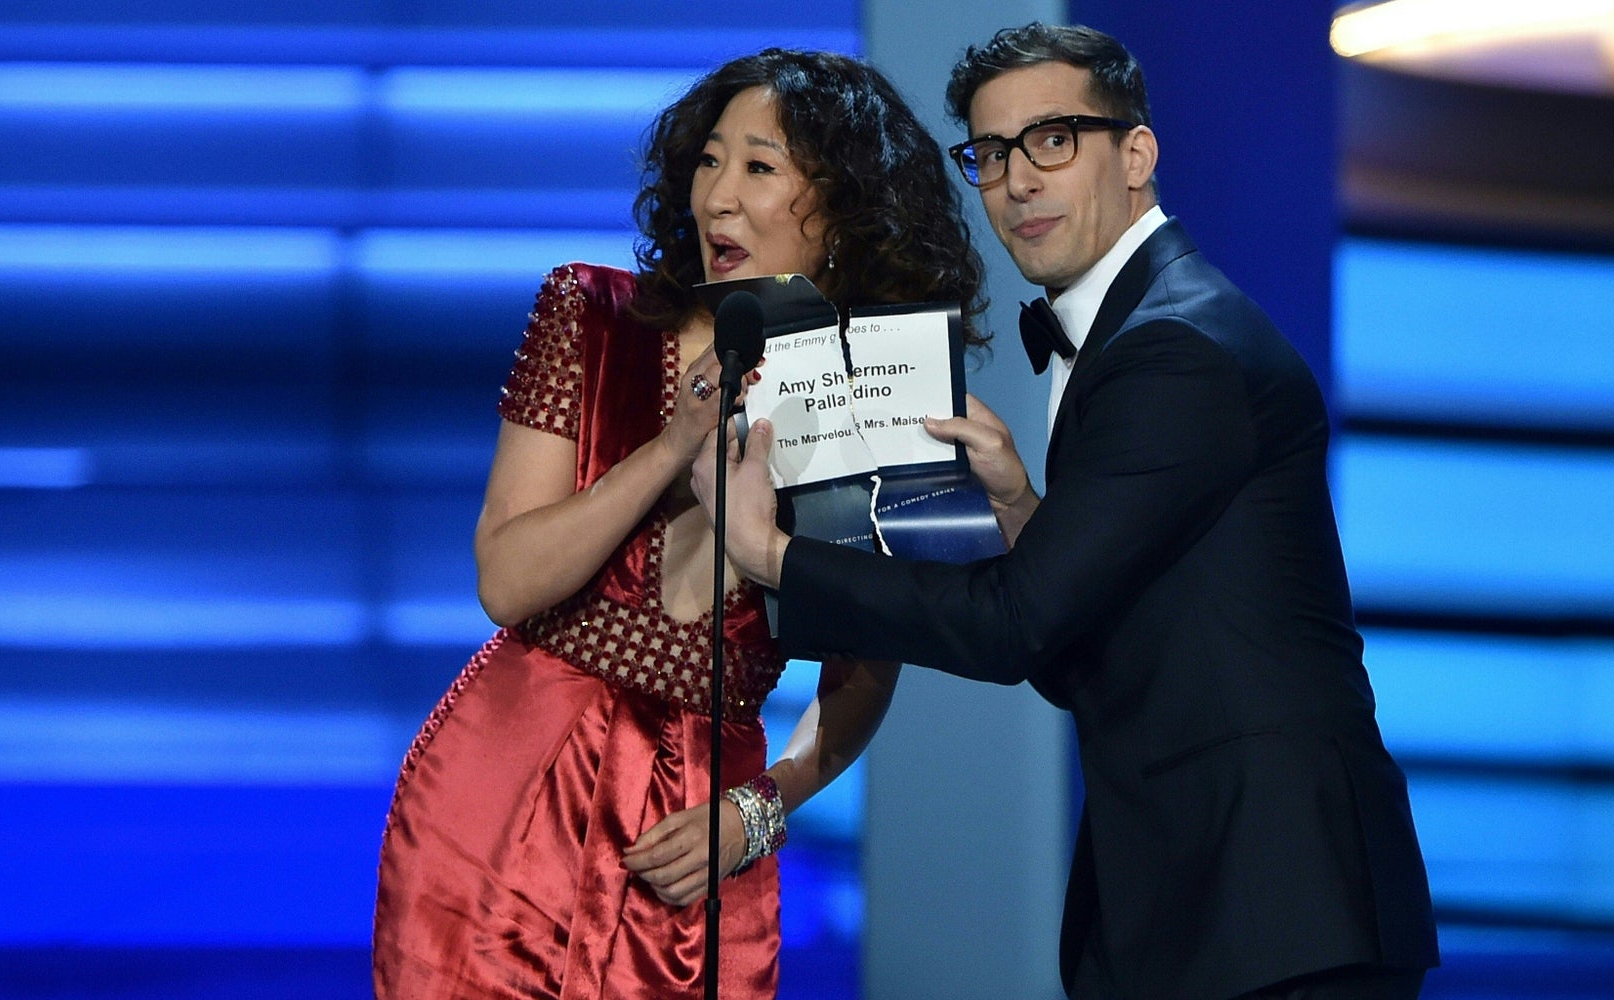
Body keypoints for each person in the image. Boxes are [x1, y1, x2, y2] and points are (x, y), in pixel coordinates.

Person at [699, 23, 1440, 1000]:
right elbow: (1086, 654)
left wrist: (771, 551)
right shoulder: (1137, 330)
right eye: (991, 152)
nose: (1016, 179)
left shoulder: (1175, 349)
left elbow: (1014, 626)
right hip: (1210, 910)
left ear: (1135, 154)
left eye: (1052, 140)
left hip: (1274, 911)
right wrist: (1016, 507)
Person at [371, 49, 986, 999]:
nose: (717, 198)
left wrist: (758, 813)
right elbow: (505, 578)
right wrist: (670, 448)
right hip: (510, 794)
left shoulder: (882, 395)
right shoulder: (594, 316)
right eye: (708, 161)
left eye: (759, 167)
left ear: (846, 207)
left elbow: (865, 673)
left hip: (697, 833)